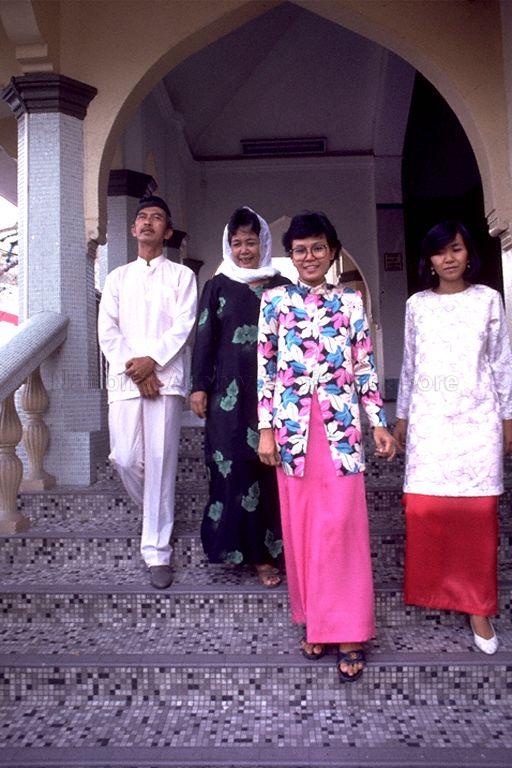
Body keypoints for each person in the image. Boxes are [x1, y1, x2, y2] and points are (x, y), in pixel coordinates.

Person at [257, 211, 395, 682]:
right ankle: (316, 620)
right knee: (304, 528)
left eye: (318, 247)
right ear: (290, 256)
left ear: (332, 251)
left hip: (340, 430)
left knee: (342, 527)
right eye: (300, 249)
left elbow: (363, 366)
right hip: (293, 432)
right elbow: (266, 369)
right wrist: (266, 429)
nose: (309, 256)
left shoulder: (351, 302)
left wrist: (378, 421)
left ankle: (351, 629)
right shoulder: (274, 301)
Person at [394, 220, 512, 653]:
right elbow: (409, 364)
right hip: (430, 422)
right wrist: (402, 416)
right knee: (425, 511)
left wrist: (507, 418)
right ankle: (440, 590)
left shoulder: (488, 300)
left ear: (468, 254)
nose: (449, 259)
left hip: (478, 420)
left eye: (456, 249)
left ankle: (478, 606)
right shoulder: (416, 305)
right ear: (429, 259)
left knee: (478, 515)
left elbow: (501, 362)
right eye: (440, 252)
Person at [98, 195, 197, 589]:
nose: (148, 223)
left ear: (167, 231)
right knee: (124, 457)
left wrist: (152, 361)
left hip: (165, 378)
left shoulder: (181, 276)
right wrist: (136, 369)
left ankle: (157, 550)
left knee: (159, 460)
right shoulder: (117, 277)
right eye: (142, 217)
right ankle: (157, 511)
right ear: (132, 228)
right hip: (126, 381)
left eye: (157, 218)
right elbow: (108, 329)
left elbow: (184, 324)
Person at [190, 207, 290, 587]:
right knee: (231, 471)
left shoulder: (281, 285)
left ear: (263, 243)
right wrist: (199, 386)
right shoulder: (217, 285)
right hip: (227, 398)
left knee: (268, 474)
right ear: (228, 246)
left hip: (275, 395)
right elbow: (204, 337)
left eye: (251, 242)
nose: (244, 250)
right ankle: (232, 549)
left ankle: (267, 556)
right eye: (237, 243)